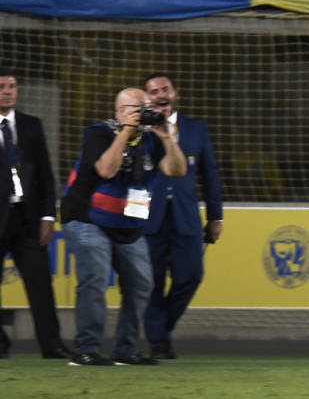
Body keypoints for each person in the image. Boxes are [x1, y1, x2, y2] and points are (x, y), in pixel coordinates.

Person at [60, 87, 186, 366]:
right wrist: (126, 133)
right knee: (95, 278)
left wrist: (168, 139)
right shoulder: (99, 133)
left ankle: (125, 350)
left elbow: (177, 170)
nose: (145, 111)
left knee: (141, 283)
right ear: (120, 111)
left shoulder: (154, 138)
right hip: (87, 217)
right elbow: (105, 170)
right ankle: (86, 349)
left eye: (147, 106)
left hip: (126, 221)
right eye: (137, 107)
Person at [142, 73, 223, 360]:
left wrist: (216, 217)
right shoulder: (137, 129)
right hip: (146, 219)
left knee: (191, 276)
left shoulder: (197, 129)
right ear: (146, 98)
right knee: (150, 284)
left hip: (186, 218)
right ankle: (159, 344)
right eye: (154, 92)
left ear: (175, 94)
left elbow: (210, 175)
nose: (160, 95)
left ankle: (159, 328)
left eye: (165, 89)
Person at [0, 69, 70, 359]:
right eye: (2, 86)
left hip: (28, 219)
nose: (7, 91)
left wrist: (48, 216)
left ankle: (52, 344)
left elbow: (45, 173)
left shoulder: (31, 125)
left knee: (41, 284)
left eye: (12, 86)